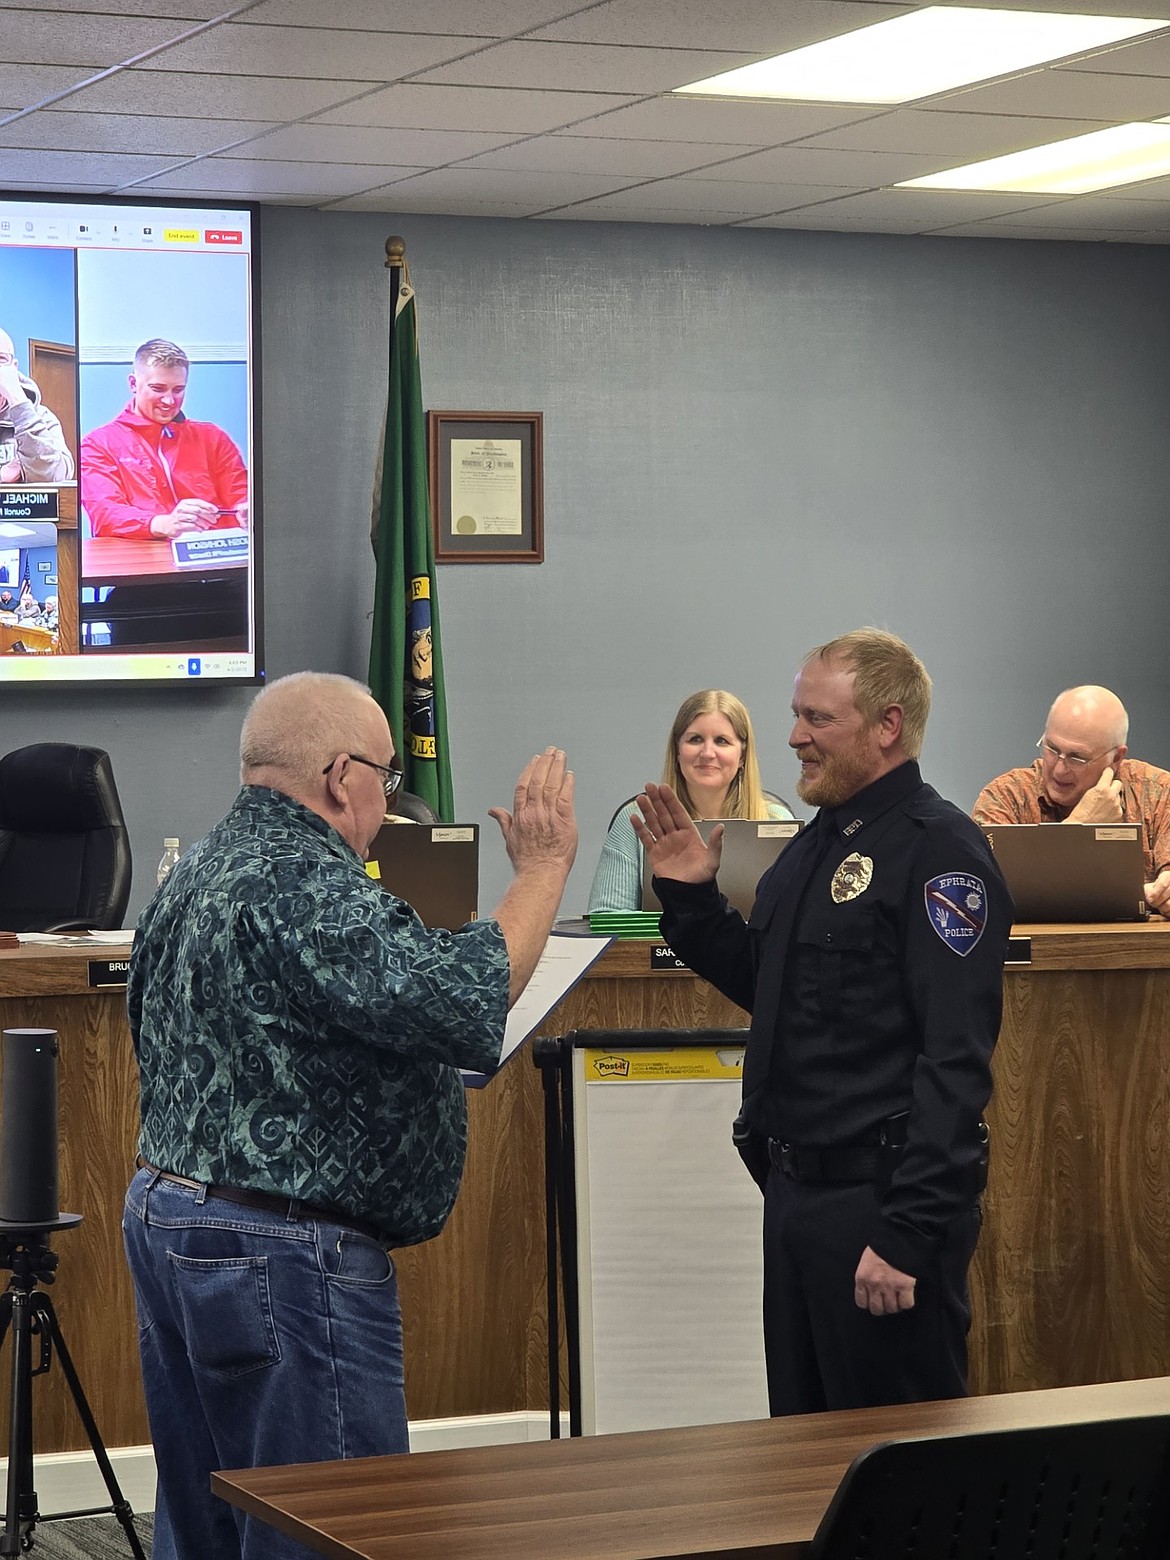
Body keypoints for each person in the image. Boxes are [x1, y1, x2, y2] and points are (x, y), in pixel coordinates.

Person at [122, 671, 577, 1560]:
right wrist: (546, 868)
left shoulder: (200, 870)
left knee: (209, 1517)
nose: (390, 791)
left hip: (174, 1219)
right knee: (329, 1526)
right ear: (340, 777)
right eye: (385, 771)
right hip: (282, 1254)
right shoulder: (307, 883)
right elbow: (469, 998)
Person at [633, 629, 1012, 1416]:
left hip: (883, 1205)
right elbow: (773, 991)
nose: (796, 737)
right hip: (799, 1201)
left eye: (818, 719)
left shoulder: (938, 853)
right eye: (797, 715)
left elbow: (956, 1058)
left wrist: (907, 1231)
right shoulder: (816, 845)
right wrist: (692, 900)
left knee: (900, 1474)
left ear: (888, 725)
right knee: (804, 1458)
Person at [588, 689, 793, 911]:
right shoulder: (634, 820)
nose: (707, 753)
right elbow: (607, 918)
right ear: (677, 750)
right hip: (658, 947)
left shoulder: (778, 819)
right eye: (695, 739)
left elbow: (792, 919)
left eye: (722, 741)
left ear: (742, 756)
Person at [973, 684, 1170, 914]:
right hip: (1036, 948)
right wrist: (1081, 823)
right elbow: (987, 893)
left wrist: (1165, 889)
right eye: (1052, 749)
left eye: (1077, 758)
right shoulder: (1004, 797)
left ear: (1116, 758)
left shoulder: (1158, 793)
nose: (1059, 769)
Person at [80, 337, 248, 539]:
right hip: (142, 560)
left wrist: (249, 509)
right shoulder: (98, 444)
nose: (169, 401)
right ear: (133, 383)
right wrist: (162, 524)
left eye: (178, 390)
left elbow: (241, 492)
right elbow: (105, 513)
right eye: (158, 389)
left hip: (215, 559)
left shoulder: (213, 437)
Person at [0, 327, 75, 483]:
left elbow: (56, 475)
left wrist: (17, 400)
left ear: (13, 367)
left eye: (1, 360)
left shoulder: (42, 417)